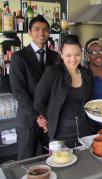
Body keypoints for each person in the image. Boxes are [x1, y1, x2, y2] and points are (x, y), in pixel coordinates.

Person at [9, 15, 59, 160]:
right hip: (28, 119)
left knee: (50, 158)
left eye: (45, 29)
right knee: (26, 158)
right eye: (36, 29)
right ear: (29, 32)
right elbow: (19, 92)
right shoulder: (19, 57)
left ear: (49, 32)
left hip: (50, 119)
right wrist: (38, 116)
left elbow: (56, 88)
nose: (41, 33)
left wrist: (48, 116)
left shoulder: (55, 57)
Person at [33, 35, 93, 148]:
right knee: (61, 163)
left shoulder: (87, 74)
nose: (73, 59)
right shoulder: (53, 72)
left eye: (77, 55)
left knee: (86, 164)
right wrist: (49, 118)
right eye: (68, 55)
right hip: (60, 134)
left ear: (81, 54)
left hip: (85, 131)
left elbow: (89, 101)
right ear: (61, 55)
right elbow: (38, 102)